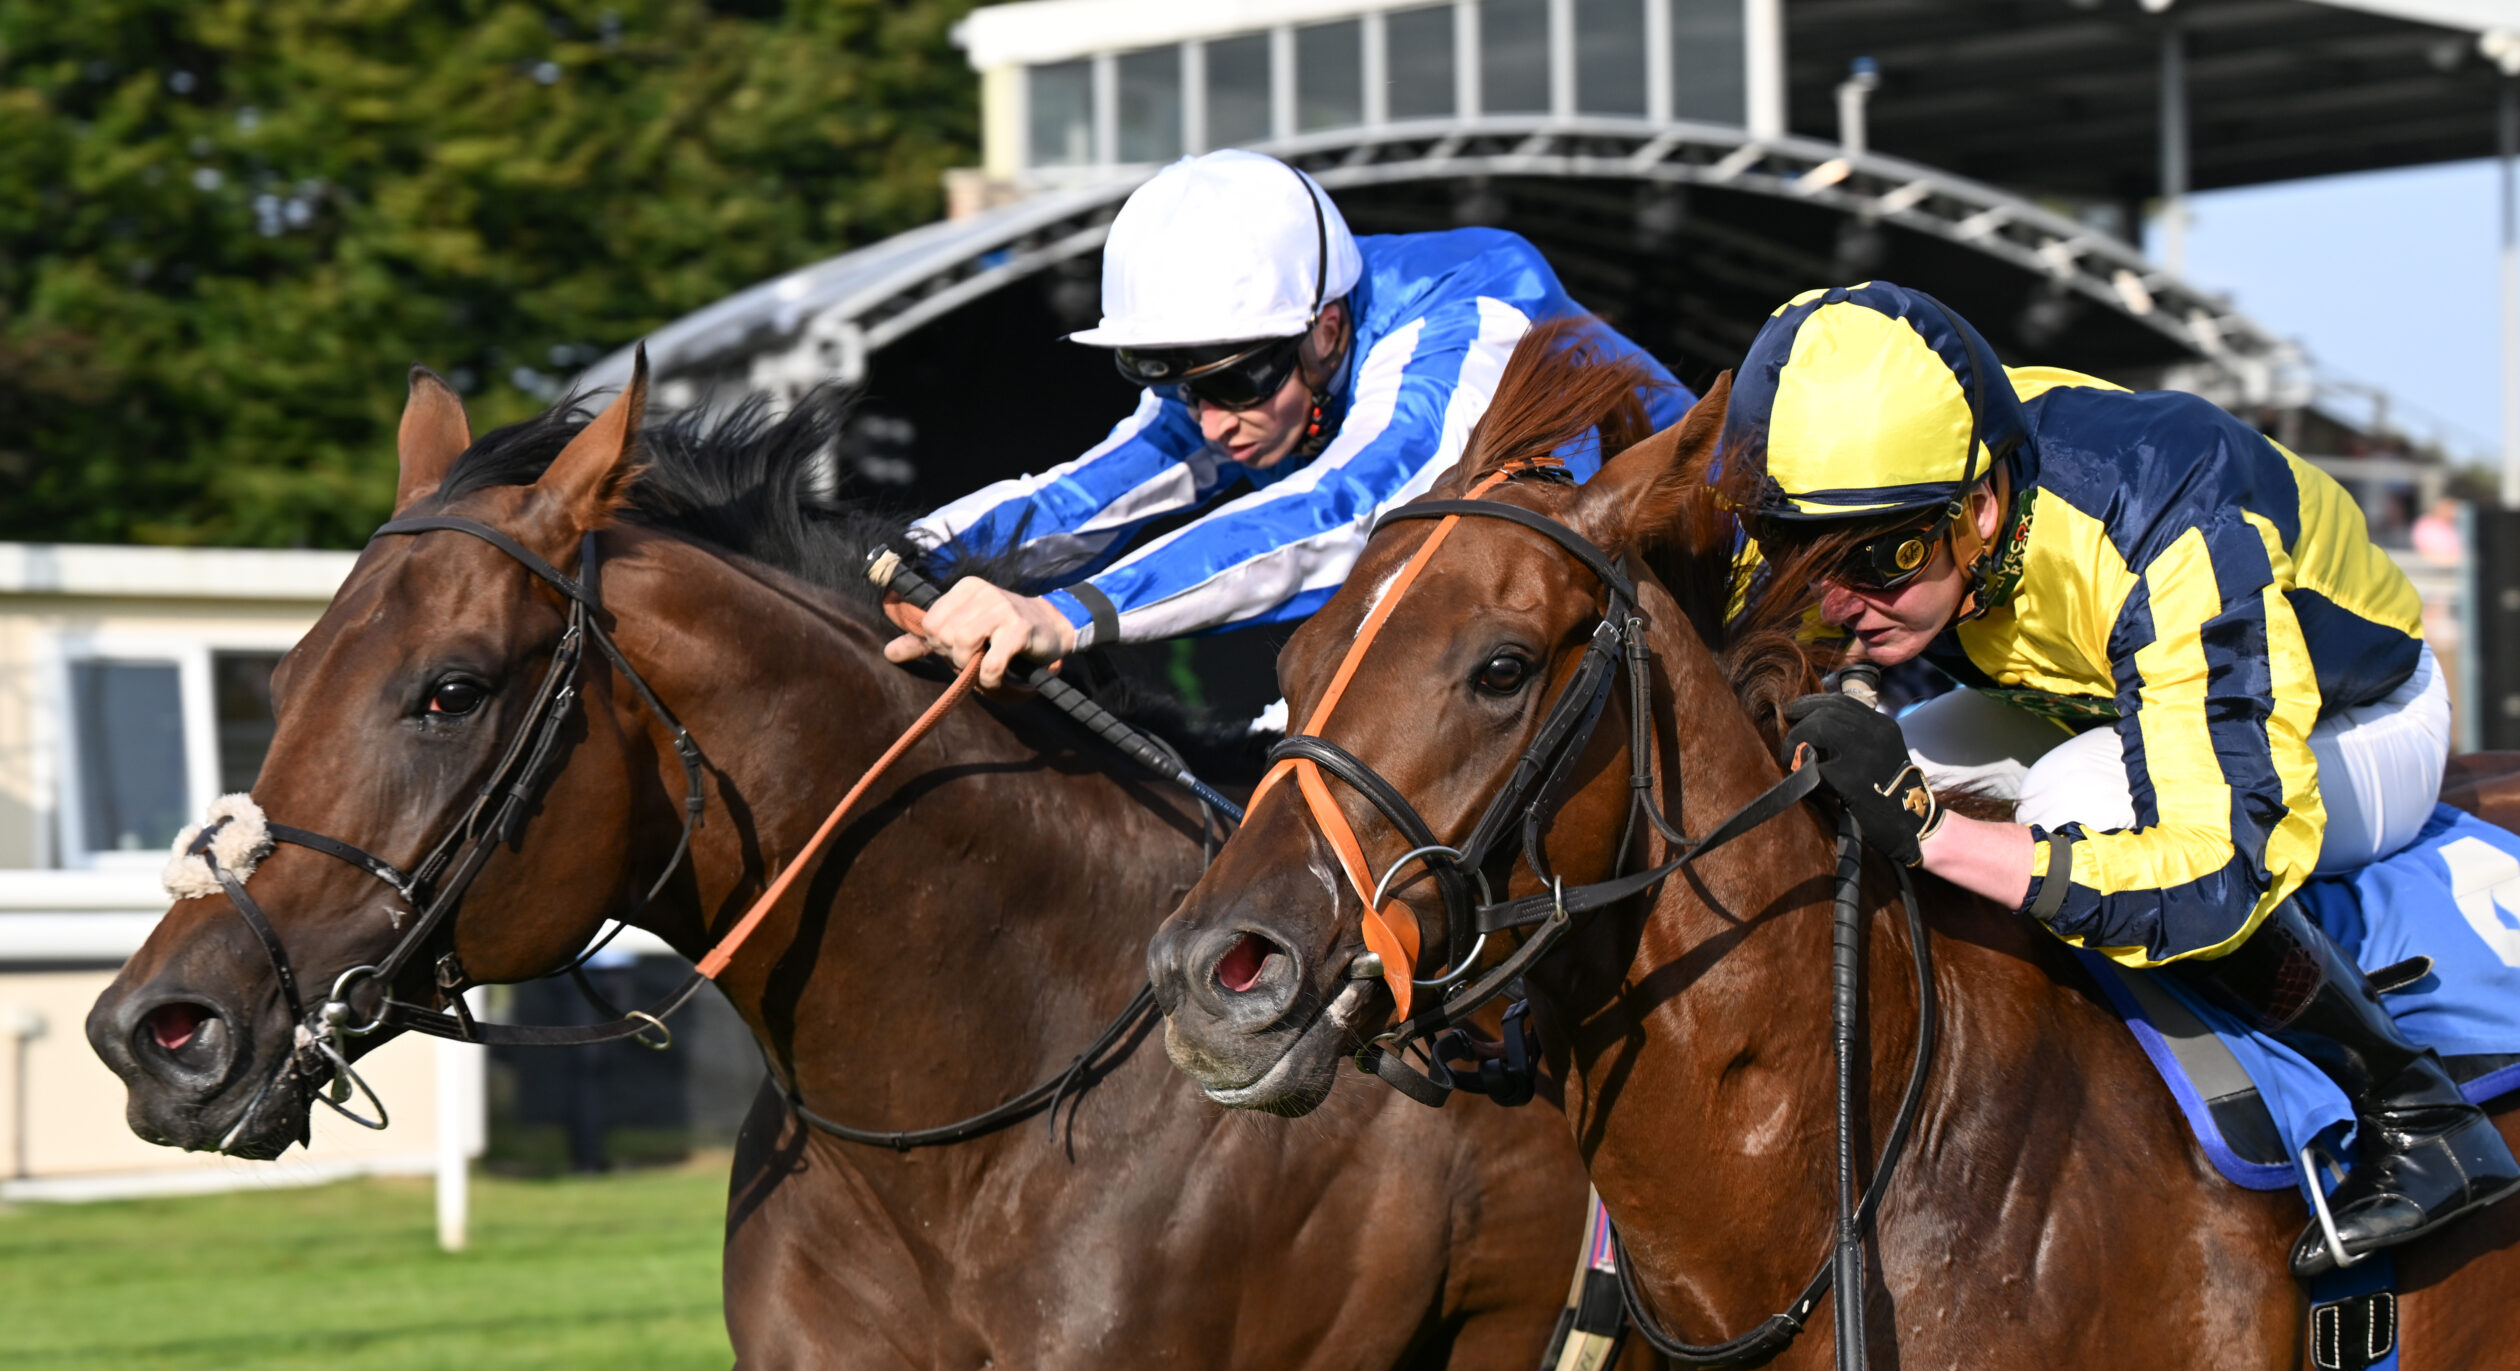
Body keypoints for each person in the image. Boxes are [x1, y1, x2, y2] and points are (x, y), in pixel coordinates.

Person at [1715, 280, 2517, 1278]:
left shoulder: (2165, 513)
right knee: (1853, 785)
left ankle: (2416, 1105)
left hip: (2355, 712)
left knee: (2074, 806)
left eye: (1881, 557)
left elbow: (2212, 870)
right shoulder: (1886, 488)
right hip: (2097, 698)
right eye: (1801, 555)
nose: (1839, 604)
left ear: (1979, 504)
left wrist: (1936, 833)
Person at [890, 149, 1692, 684]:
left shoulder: (1478, 308)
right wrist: (903, 557)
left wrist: (1062, 615)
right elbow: (1090, 490)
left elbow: (1343, 513)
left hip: (1734, 593)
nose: (1210, 424)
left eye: (1236, 383)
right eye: (1179, 386)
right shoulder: (1260, 350)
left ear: (1327, 331)